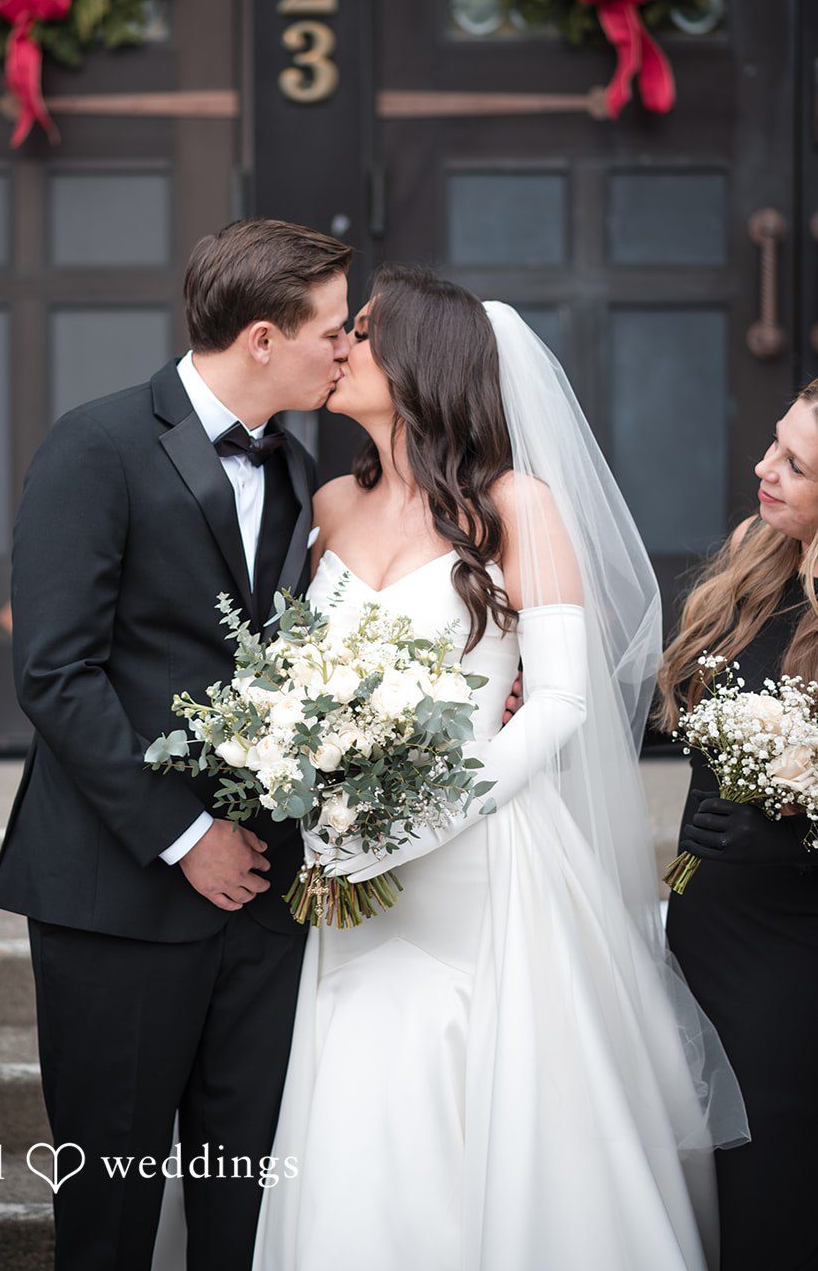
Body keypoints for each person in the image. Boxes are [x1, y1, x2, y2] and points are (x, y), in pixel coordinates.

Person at [253, 266, 747, 1271]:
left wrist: (432, 814)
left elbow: (561, 699)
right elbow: (299, 685)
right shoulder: (330, 504)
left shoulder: (517, 504)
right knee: (359, 1100)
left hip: (479, 865)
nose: (341, 346)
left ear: (421, 363)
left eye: (363, 332)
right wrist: (321, 806)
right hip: (351, 869)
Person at [0, 220, 353, 1271]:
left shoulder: (298, 467)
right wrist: (186, 835)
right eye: (332, 329)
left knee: (241, 1208)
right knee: (109, 1211)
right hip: (119, 892)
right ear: (262, 338)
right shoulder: (95, 445)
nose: (347, 348)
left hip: (265, 901)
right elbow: (55, 672)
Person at [660, 379, 818, 1271]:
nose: (764, 468)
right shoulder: (759, 562)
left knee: (771, 1181)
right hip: (704, 928)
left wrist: (792, 842)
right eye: (774, 443)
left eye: (796, 465)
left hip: (790, 950)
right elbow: (684, 706)